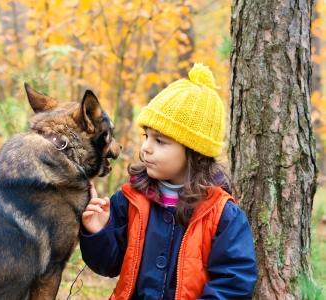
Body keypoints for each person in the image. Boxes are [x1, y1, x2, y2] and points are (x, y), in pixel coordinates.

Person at [79, 63, 258, 299]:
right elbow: (108, 265)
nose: (146, 148)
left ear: (197, 152)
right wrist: (99, 232)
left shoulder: (222, 215)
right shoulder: (129, 200)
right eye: (146, 136)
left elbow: (234, 282)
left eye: (160, 141)